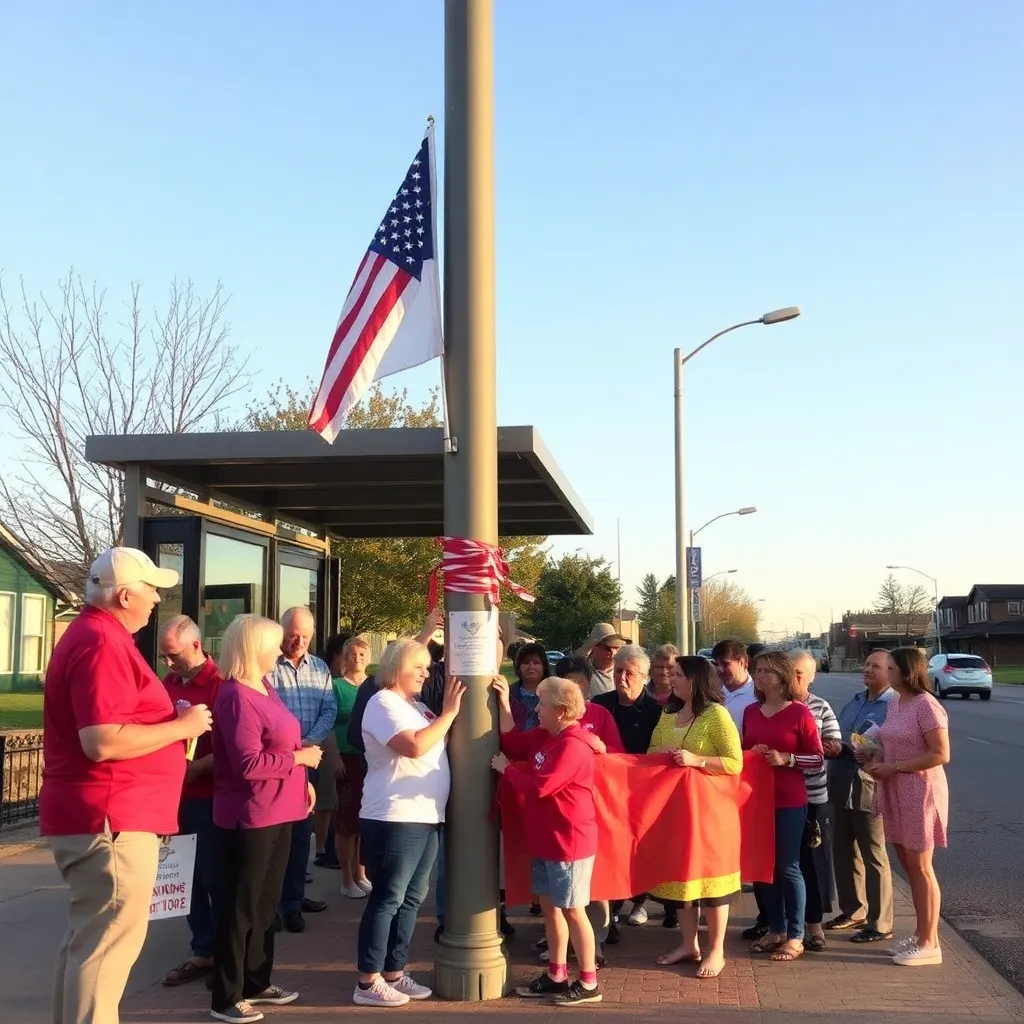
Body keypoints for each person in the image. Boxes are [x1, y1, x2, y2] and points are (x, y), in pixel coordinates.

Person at [40, 547, 212, 1024]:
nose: (157, 598)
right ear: (124, 596)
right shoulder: (102, 643)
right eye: (151, 589)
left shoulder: (95, 637)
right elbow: (101, 741)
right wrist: (181, 728)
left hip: (102, 816)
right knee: (105, 950)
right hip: (111, 818)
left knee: (90, 946)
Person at [211, 614, 320, 1024]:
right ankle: (225, 995)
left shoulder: (265, 686)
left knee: (265, 903)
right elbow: (249, 764)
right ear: (254, 647)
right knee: (240, 905)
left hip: (283, 808)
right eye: (273, 644)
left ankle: (256, 981)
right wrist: (299, 760)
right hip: (251, 815)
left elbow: (284, 740)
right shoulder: (236, 696)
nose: (280, 651)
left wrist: (302, 781)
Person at [354, 639, 465, 1007]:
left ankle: (394, 971)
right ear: (397, 665)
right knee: (388, 897)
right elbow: (414, 746)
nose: (425, 673)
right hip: (394, 815)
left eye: (427, 667)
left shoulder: (416, 706)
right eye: (418, 665)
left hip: (426, 815)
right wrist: (449, 713)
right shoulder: (382, 702)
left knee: (412, 898)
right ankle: (367, 981)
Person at [492, 677, 603, 1006]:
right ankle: (557, 974)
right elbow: (513, 742)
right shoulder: (545, 735)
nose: (536, 709)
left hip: (569, 841)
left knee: (573, 910)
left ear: (561, 711)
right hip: (545, 839)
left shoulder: (573, 746)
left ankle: (589, 982)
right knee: (551, 910)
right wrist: (503, 702)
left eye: (542, 704)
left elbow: (541, 786)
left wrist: (507, 771)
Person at [650, 656, 743, 979]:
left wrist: (697, 760)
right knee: (682, 880)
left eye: (678, 674)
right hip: (675, 811)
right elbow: (651, 752)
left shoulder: (716, 714)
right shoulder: (668, 713)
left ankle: (716, 950)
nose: (671, 678)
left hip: (711, 813)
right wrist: (663, 757)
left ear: (695, 679)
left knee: (713, 882)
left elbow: (734, 762)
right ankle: (689, 944)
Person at [863, 647, 950, 966]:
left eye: (890, 667)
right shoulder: (896, 703)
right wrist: (875, 756)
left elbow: (940, 753)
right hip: (896, 788)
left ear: (906, 671)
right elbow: (892, 741)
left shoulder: (926, 705)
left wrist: (895, 767)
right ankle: (921, 933)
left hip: (919, 791)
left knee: (922, 867)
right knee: (909, 866)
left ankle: (930, 943)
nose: (885, 672)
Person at [743, 651, 823, 963]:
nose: (760, 676)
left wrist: (787, 758)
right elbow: (742, 752)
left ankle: (796, 935)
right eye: (758, 670)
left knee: (788, 867)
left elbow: (817, 758)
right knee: (764, 867)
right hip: (756, 800)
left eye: (767, 671)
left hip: (789, 800)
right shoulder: (751, 711)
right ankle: (775, 928)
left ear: (782, 677)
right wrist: (754, 752)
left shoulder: (799, 713)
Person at [160, 615, 225, 989]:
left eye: (174, 655)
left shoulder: (219, 684)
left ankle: (225, 951)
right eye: (164, 656)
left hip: (207, 798)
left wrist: (196, 769)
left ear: (196, 646)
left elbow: (233, 748)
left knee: (214, 876)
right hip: (173, 797)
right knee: (185, 877)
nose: (169, 663)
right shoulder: (167, 683)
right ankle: (202, 949)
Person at [270, 606, 336, 933]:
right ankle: (271, 906)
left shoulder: (320, 668)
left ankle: (293, 903)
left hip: (308, 762)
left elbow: (329, 709)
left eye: (305, 637)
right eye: (293, 635)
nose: (298, 642)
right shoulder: (267, 666)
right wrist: (291, 749)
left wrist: (308, 743)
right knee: (273, 840)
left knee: (299, 838)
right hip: (275, 762)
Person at [592, 644, 662, 946]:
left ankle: (634, 903)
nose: (622, 677)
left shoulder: (657, 711)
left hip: (640, 794)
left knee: (635, 855)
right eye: (618, 671)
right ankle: (607, 918)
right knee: (606, 856)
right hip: (603, 793)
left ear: (644, 676)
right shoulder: (600, 704)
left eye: (629, 673)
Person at [826, 649, 896, 944]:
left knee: (873, 853)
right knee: (843, 849)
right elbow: (842, 734)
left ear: (890, 671)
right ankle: (853, 910)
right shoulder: (856, 700)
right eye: (866, 664)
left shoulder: (895, 704)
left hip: (869, 784)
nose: (867, 669)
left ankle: (880, 923)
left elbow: (899, 745)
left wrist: (875, 752)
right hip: (840, 779)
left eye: (875, 666)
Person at [789, 650, 842, 952]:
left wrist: (804, 745)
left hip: (812, 797)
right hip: (779, 796)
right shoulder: (772, 705)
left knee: (813, 862)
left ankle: (814, 925)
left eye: (799, 673)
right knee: (783, 864)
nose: (793, 678)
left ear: (811, 677)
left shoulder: (820, 707)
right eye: (789, 671)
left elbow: (835, 746)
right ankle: (779, 923)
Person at [325, 634, 373, 899]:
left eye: (362, 654)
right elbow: (329, 723)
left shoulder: (373, 685)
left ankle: (361, 873)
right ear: (344, 657)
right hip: (346, 757)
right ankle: (346, 879)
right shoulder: (335, 687)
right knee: (347, 819)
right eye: (353, 654)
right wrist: (334, 757)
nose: (357, 658)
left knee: (365, 817)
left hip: (370, 758)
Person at [712, 638, 758, 731]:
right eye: (716, 664)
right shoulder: (712, 695)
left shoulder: (758, 696)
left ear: (743, 662)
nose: (719, 669)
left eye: (725, 664)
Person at [509, 642, 551, 731]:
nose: (531, 666)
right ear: (519, 667)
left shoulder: (555, 693)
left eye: (536, 663)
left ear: (544, 666)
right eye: (526, 662)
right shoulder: (508, 695)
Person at [577, 623, 628, 696]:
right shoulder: (581, 673)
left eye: (616, 648)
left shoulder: (626, 672)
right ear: (594, 648)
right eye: (607, 648)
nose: (613, 653)